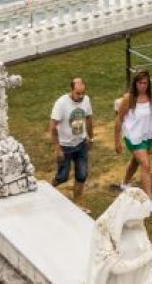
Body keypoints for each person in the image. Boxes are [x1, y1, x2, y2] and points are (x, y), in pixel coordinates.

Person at [115, 70, 152, 213]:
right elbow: (119, 119)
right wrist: (117, 141)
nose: (143, 86)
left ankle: (125, 183)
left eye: (145, 83)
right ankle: (149, 201)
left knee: (136, 161)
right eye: (140, 83)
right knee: (145, 164)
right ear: (135, 83)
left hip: (147, 135)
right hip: (133, 136)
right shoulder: (129, 98)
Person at [50, 77, 94, 208]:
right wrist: (58, 149)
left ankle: (77, 203)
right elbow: (53, 127)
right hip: (65, 146)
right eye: (77, 93)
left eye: (82, 93)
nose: (80, 96)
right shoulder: (61, 103)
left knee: (82, 174)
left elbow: (89, 119)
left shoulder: (86, 100)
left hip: (81, 144)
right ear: (71, 90)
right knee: (62, 176)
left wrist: (91, 138)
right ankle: (47, 190)